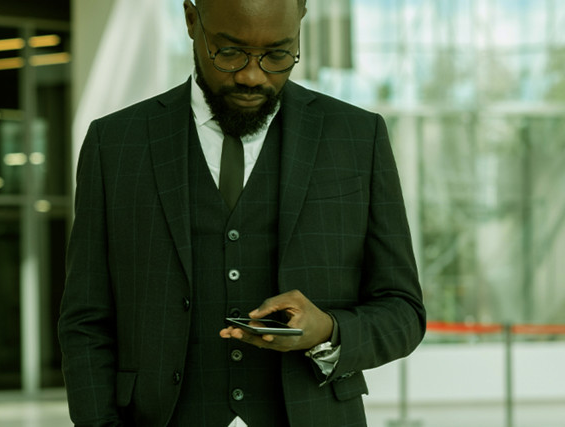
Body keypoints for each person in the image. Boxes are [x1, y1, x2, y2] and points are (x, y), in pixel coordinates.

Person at [58, 0, 426, 425]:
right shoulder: (116, 144)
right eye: (229, 52)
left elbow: (404, 311)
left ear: (301, 21)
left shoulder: (358, 138)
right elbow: (85, 320)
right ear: (193, 20)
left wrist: (327, 330)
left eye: (277, 54)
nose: (253, 75)